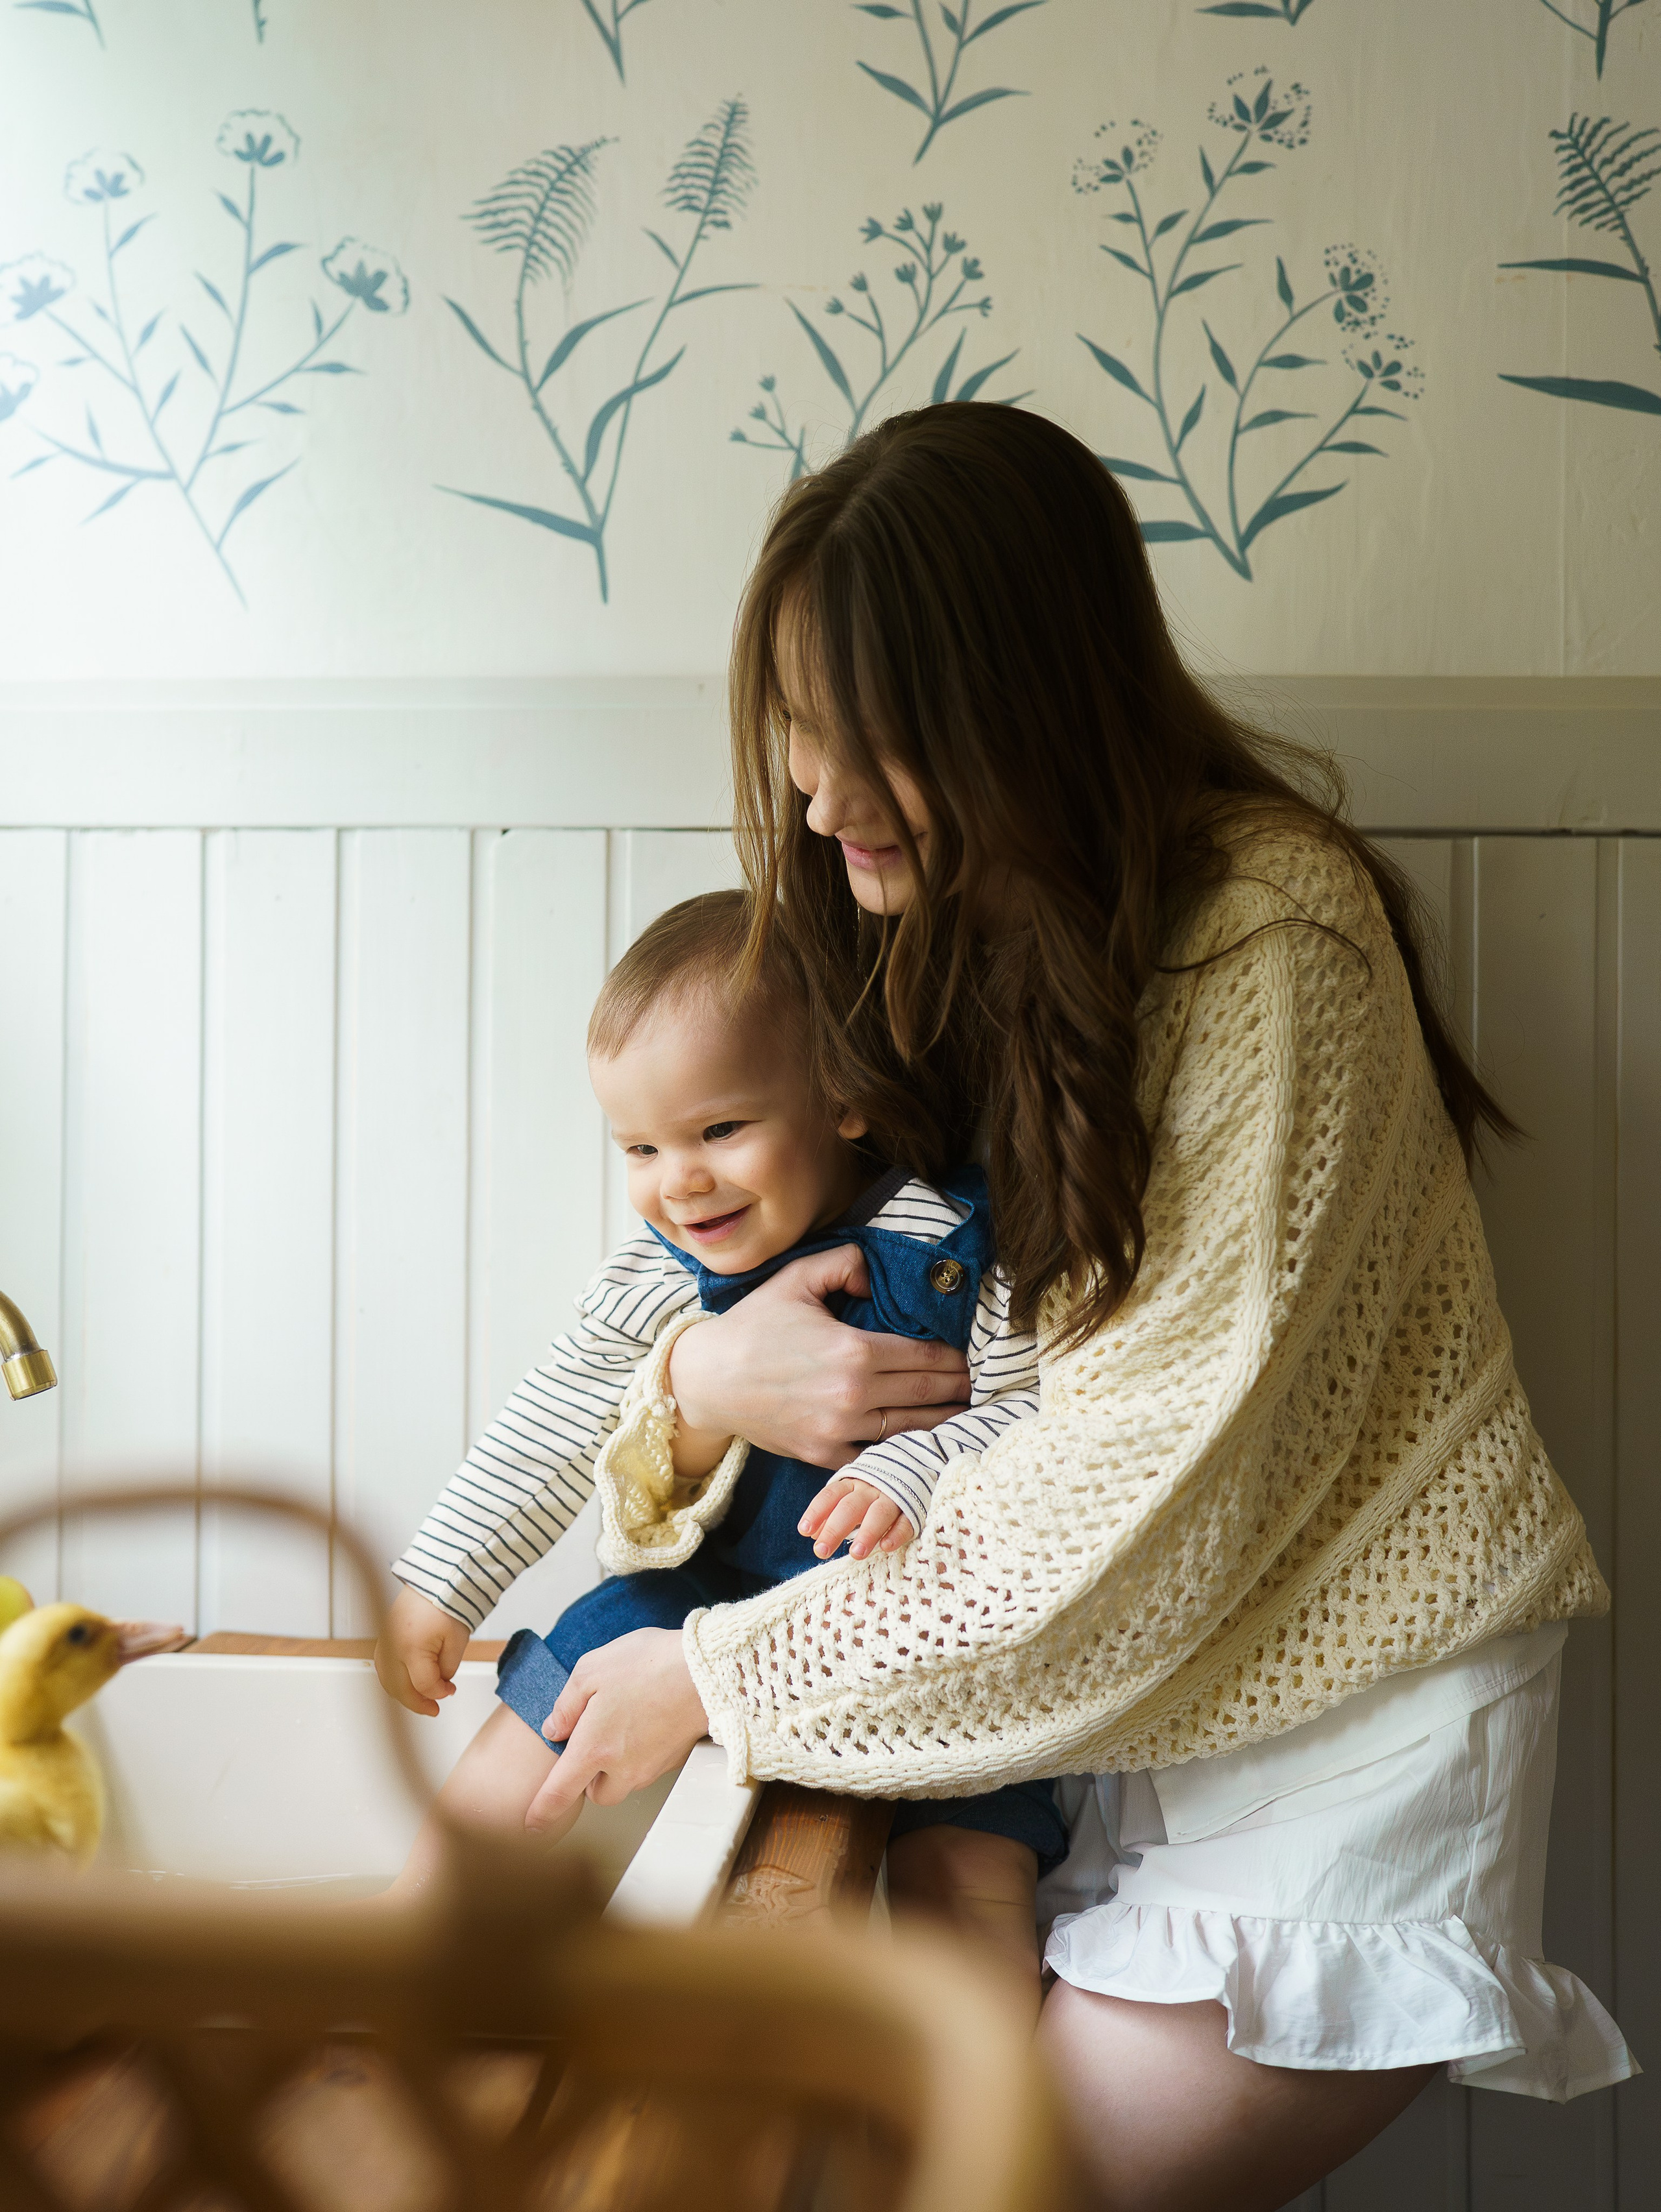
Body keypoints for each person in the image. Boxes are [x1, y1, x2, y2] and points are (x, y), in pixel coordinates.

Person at [484, 404, 1635, 2210]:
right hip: (1104, 1710)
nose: (816, 793)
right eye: (797, 725)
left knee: (982, 2175)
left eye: (870, 737)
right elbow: (700, 1283)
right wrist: (703, 1377)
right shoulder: (947, 919)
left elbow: (1141, 1501)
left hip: (1339, 1731)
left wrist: (720, 1674)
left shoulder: (1269, 940)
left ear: (1019, 706)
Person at [376, 889, 1063, 1989]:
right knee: (545, 1701)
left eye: (719, 1131)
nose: (677, 1180)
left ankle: (974, 2118)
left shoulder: (957, 1240)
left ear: (843, 1097)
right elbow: (554, 1417)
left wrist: (915, 1461)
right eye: (639, 1146)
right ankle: (398, 1958)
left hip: (918, 1623)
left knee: (975, 1870)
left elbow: (1042, 1417)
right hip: (708, 1595)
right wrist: (440, 1581)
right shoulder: (661, 1269)